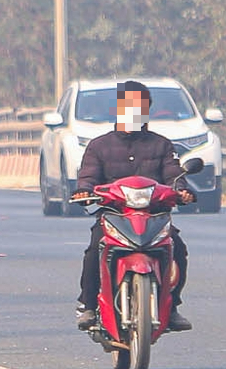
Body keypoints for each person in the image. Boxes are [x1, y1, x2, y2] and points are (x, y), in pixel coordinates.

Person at [73, 80, 194, 332]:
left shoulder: (161, 145)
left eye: (140, 107)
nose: (133, 112)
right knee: (95, 248)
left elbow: (173, 175)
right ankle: (87, 306)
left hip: (154, 217)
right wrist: (84, 190)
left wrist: (181, 190)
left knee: (178, 248)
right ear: (118, 109)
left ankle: (172, 308)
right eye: (128, 106)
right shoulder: (99, 146)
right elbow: (88, 176)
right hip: (115, 217)